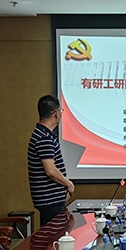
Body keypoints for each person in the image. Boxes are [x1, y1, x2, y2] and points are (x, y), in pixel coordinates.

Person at [28, 95, 74, 226]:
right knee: (53, 236)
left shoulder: (43, 134)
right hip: (50, 202)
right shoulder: (44, 137)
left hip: (51, 201)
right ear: (56, 114)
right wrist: (69, 184)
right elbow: (50, 171)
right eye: (61, 111)